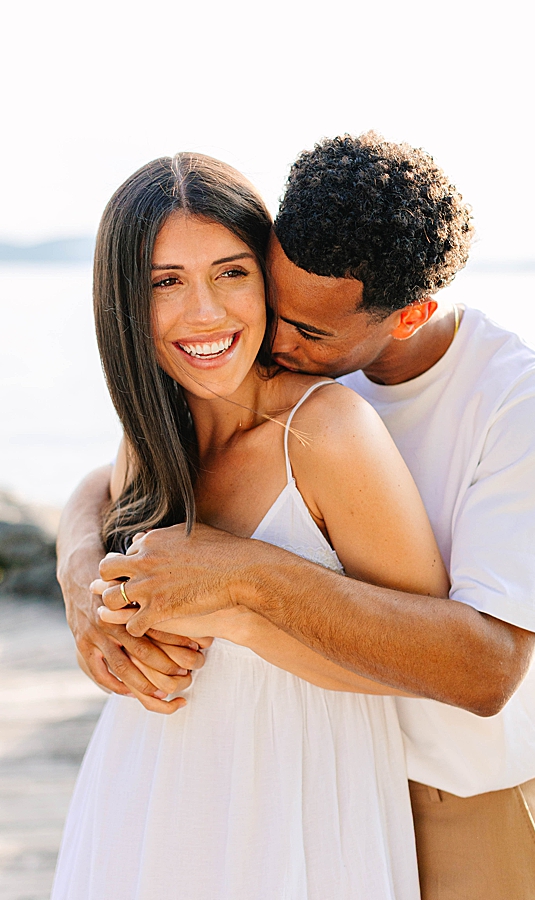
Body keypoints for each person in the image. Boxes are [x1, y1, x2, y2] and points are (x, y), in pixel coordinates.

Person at [57, 133, 535, 900]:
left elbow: (487, 669)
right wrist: (80, 574)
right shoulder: (265, 366)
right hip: (302, 775)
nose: (273, 339)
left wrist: (238, 580)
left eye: (307, 330)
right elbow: (110, 482)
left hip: (470, 784)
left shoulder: (523, 406)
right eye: (275, 300)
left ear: (408, 318)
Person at [53, 153, 448, 897]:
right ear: (124, 302)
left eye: (231, 272)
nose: (204, 313)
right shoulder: (154, 427)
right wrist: (81, 584)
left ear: (266, 277)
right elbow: (95, 492)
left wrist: (235, 603)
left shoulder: (324, 431)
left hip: (296, 810)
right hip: (142, 795)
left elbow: (421, 662)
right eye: (165, 282)